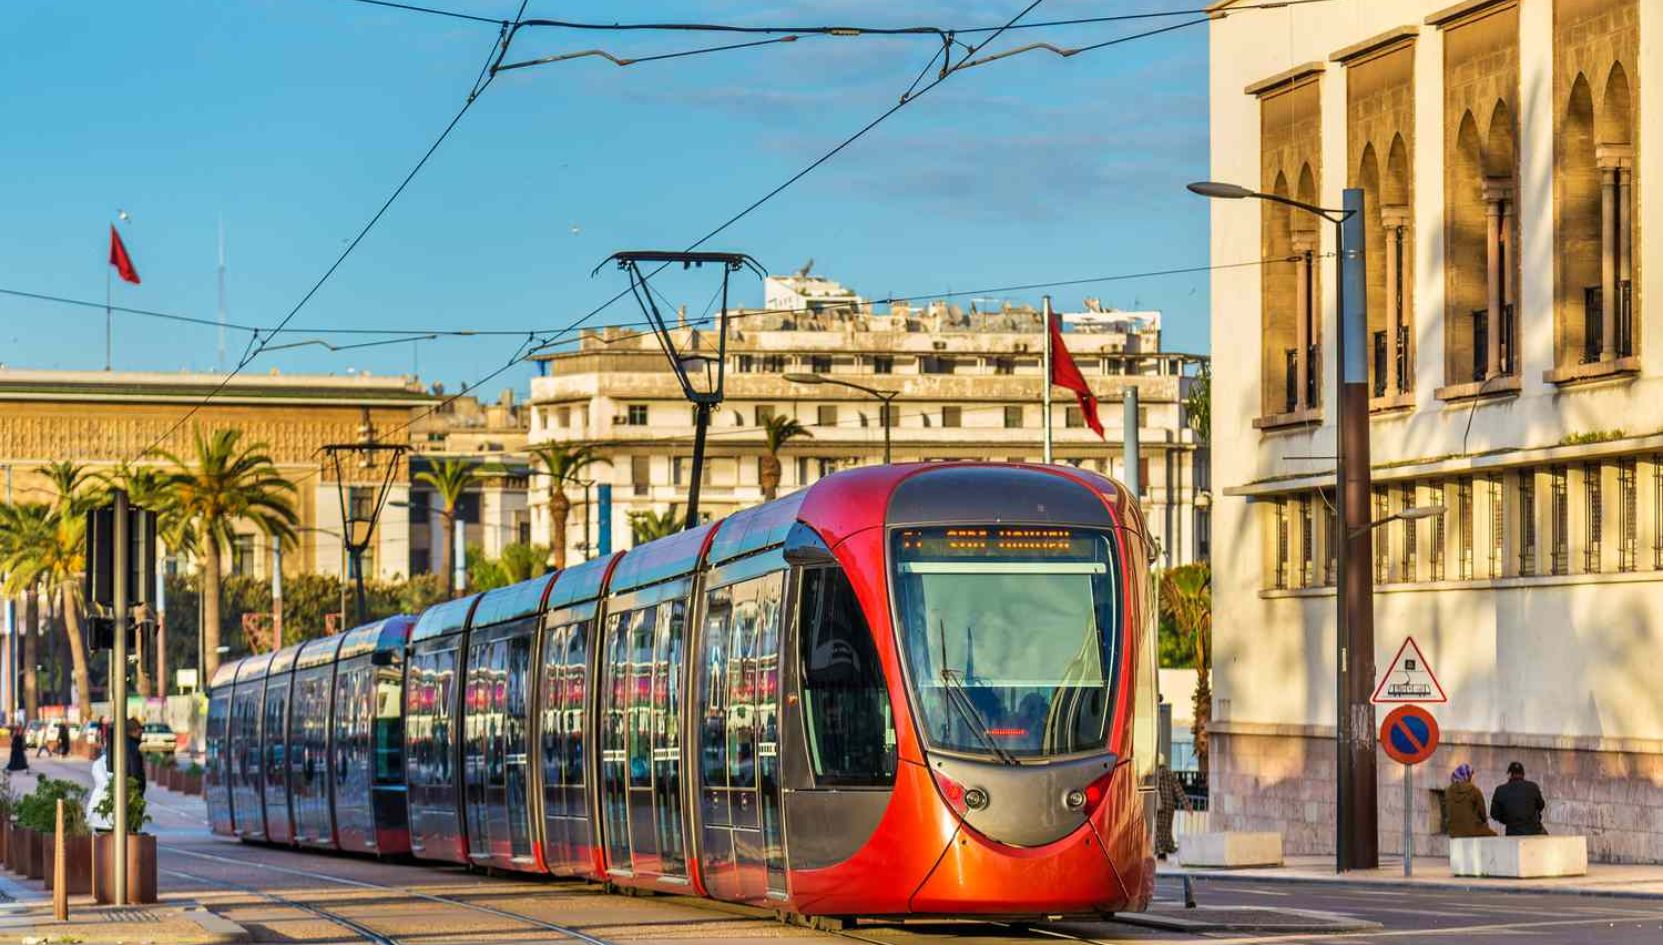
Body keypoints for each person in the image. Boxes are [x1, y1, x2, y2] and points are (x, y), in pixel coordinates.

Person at [1490, 760, 1547, 836]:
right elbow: (1541, 805)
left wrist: (1507, 819)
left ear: (1509, 774)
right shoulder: (1533, 787)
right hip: (1532, 833)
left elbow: (1494, 814)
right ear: (1523, 774)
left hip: (1512, 832)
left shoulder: (1500, 790)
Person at [1154, 756, 1193, 859]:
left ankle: (1161, 850)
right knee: (1167, 827)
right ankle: (1168, 847)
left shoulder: (1154, 774)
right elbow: (1178, 790)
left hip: (1158, 805)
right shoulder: (1170, 774)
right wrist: (1187, 805)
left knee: (1158, 827)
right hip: (1170, 805)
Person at [1443, 763, 1495, 838]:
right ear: (1468, 776)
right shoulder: (1474, 790)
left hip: (1453, 832)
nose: (1474, 779)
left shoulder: (1448, 791)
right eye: (1472, 776)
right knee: (1494, 836)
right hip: (1472, 831)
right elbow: (1482, 814)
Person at [106, 718, 146, 795]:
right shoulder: (132, 746)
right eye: (140, 728)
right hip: (131, 790)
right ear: (134, 730)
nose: (141, 731)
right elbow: (135, 770)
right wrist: (138, 787)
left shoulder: (123, 743)